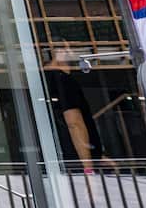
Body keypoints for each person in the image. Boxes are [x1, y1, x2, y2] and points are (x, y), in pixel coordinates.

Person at [46, 42, 111, 173]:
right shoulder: (60, 78)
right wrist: (88, 166)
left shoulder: (61, 76)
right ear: (58, 51)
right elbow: (74, 123)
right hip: (77, 163)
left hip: (79, 158)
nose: (70, 52)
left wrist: (97, 157)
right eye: (67, 48)